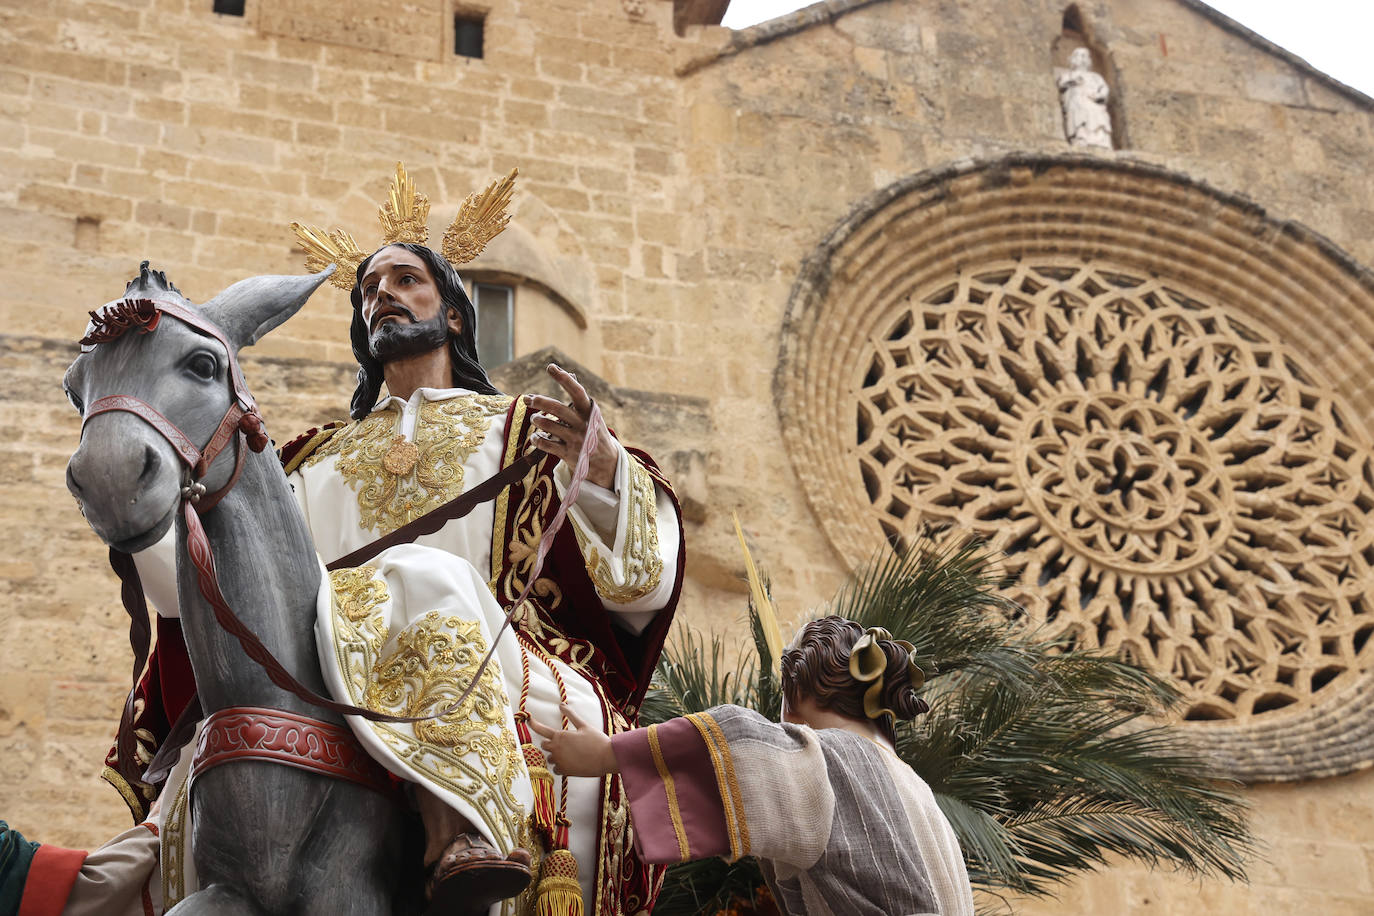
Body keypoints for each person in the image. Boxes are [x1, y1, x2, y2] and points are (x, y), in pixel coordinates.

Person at [91, 168, 684, 916]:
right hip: (318, 681)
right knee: (185, 795)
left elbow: (641, 584)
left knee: (420, 573)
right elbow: (199, 589)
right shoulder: (303, 459)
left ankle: (469, 819)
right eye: (370, 289)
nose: (384, 296)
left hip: (501, 671)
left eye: (407, 280)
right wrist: (142, 493)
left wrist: (601, 478)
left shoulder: (526, 430)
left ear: (458, 316)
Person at [531, 616, 976, 916]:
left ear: (798, 690)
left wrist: (610, 753)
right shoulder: (920, 792)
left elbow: (738, 738)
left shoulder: (836, 759)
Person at [1056, 47, 1113, 150]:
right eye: (1079, 55)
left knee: (1098, 114)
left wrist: (1100, 95)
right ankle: (1081, 138)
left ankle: (1100, 140)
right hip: (1077, 99)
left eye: (1085, 55)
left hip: (1093, 100)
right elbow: (1062, 85)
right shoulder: (1068, 75)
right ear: (1072, 59)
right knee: (1079, 112)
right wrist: (1074, 81)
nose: (1082, 58)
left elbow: (1104, 87)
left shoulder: (1095, 76)